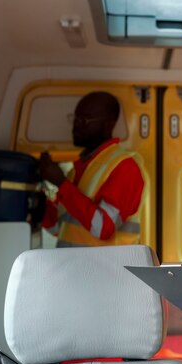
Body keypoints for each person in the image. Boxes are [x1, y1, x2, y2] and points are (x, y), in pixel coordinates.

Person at [39, 91, 146, 247]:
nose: (76, 125)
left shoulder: (124, 166)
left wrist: (61, 183)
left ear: (108, 124)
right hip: (74, 267)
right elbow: (57, 228)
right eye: (75, 118)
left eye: (85, 120)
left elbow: (103, 227)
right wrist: (38, 198)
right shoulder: (76, 170)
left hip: (104, 269)